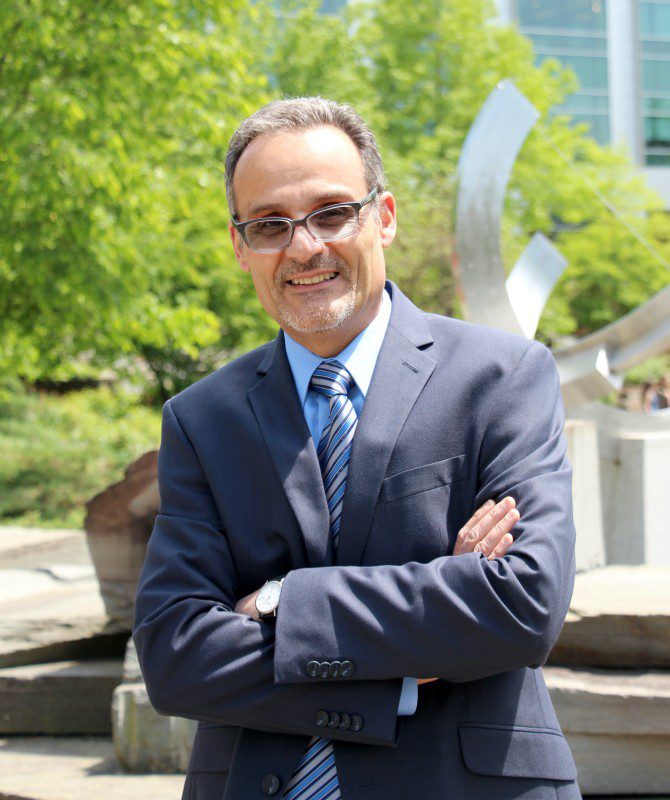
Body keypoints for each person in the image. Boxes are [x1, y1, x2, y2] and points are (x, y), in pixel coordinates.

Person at [133, 97, 580, 800]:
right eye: (270, 224)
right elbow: (175, 656)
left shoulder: (503, 378)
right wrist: (418, 644)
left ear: (386, 217)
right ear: (240, 246)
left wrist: (280, 601)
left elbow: (522, 604)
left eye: (332, 213)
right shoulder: (200, 419)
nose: (305, 246)